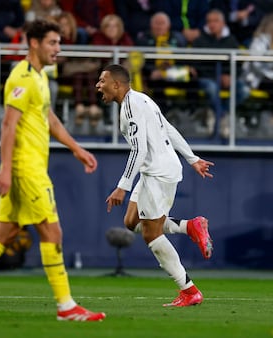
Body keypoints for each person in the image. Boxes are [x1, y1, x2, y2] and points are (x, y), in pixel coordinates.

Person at [0, 19, 106, 321]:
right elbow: (8, 125)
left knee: (3, 233)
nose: (58, 49)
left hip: (28, 167)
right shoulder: (21, 77)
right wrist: (6, 170)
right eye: (52, 43)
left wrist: (76, 148)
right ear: (34, 43)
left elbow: (49, 118)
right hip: (25, 169)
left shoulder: (40, 76)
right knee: (52, 230)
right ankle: (66, 306)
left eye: (59, 43)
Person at [96, 64, 214, 307]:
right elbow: (168, 129)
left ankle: (189, 290)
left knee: (151, 232)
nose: (98, 85)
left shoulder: (130, 106)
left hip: (157, 172)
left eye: (102, 81)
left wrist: (122, 186)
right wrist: (192, 159)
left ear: (116, 84)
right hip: (157, 170)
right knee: (131, 221)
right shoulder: (143, 99)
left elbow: (139, 149)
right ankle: (190, 226)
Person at [192, 9, 250, 137]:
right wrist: (217, 76)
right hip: (207, 78)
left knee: (244, 90)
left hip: (228, 78)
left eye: (215, 21)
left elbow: (239, 65)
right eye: (209, 21)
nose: (212, 24)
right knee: (212, 88)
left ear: (223, 23)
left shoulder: (231, 41)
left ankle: (219, 114)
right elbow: (196, 66)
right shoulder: (200, 41)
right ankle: (222, 116)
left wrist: (229, 75)